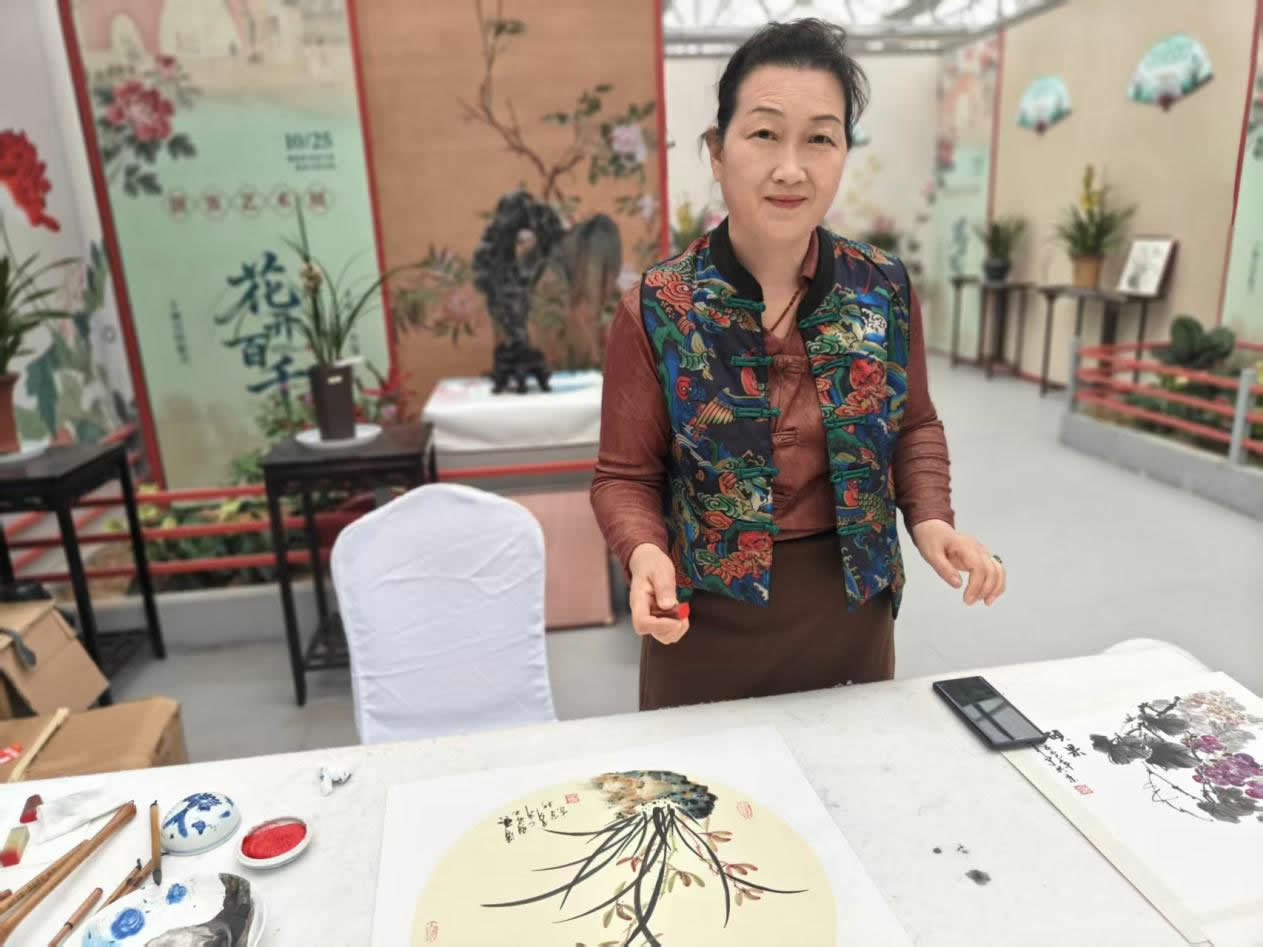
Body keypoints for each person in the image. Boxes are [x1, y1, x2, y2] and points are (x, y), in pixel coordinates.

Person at [591, 18, 1005, 712]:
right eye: (763, 133)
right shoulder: (658, 306)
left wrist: (931, 519)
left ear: (843, 152)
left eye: (819, 138)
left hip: (850, 610)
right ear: (717, 152)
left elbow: (913, 425)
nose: (791, 168)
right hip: (702, 619)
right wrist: (644, 553)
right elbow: (624, 476)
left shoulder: (881, 288)